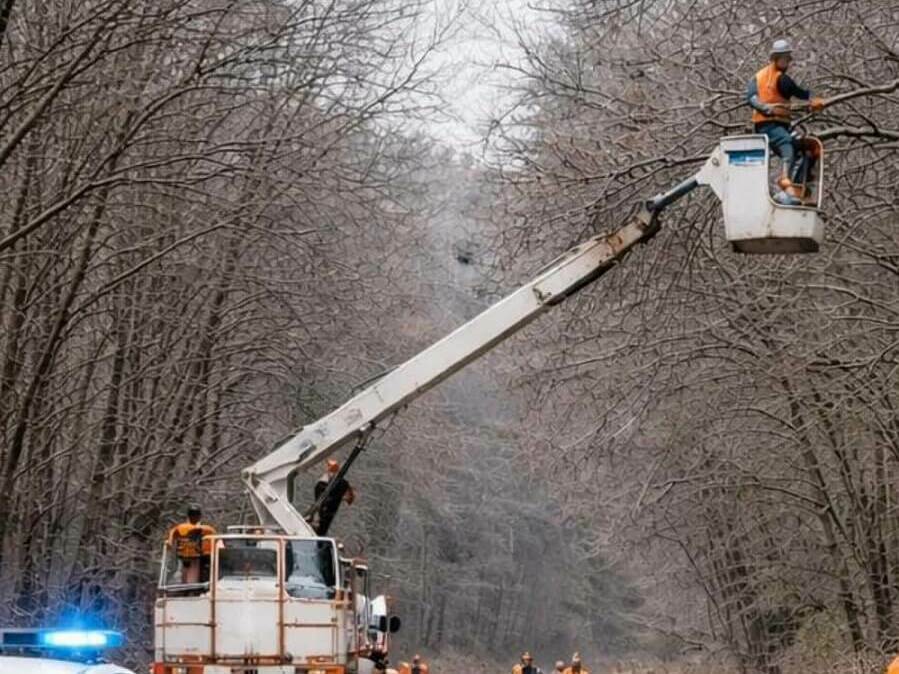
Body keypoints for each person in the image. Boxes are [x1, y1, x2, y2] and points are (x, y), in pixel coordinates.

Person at [745, 38, 825, 205]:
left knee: (807, 147)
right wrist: (766, 108)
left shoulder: (783, 79)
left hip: (782, 124)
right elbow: (752, 97)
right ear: (775, 58)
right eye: (784, 58)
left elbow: (797, 92)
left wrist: (812, 100)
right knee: (786, 142)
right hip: (766, 125)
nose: (787, 62)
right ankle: (784, 180)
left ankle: (798, 189)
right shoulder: (759, 77)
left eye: (788, 58)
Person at [167, 505, 216, 583]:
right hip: (184, 559)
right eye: (192, 515)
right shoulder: (181, 528)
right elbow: (171, 539)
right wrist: (170, 543)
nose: (194, 517)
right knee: (184, 574)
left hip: (200, 559)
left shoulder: (206, 529)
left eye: (195, 515)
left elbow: (215, 540)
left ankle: (200, 583)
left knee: (202, 569)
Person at [313, 459, 356, 535]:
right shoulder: (343, 483)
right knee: (323, 526)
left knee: (322, 525)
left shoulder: (321, 483)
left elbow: (318, 499)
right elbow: (350, 497)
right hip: (328, 510)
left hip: (325, 510)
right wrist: (343, 498)